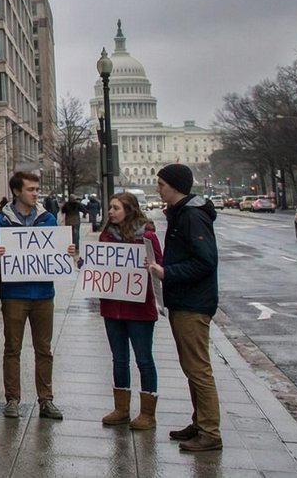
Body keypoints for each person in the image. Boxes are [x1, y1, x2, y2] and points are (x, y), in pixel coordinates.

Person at [0, 170, 74, 421]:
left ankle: (46, 400)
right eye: (31, 190)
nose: (36, 194)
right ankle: (12, 399)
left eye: (37, 189)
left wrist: (65, 250)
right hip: (14, 293)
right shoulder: (1, 220)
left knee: (44, 349)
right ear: (17, 191)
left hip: (44, 293)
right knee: (12, 348)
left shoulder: (47, 219)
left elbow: (55, 250)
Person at [149, 163, 222, 453]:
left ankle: (210, 431)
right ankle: (200, 422)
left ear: (175, 186)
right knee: (191, 367)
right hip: (183, 300)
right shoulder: (182, 214)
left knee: (198, 369)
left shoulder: (191, 216)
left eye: (161, 184)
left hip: (193, 302)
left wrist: (168, 273)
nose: (158, 188)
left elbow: (205, 261)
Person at [98, 191, 164, 431]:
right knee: (119, 358)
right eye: (110, 208)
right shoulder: (106, 236)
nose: (111, 212)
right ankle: (122, 409)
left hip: (139, 309)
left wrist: (152, 267)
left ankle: (148, 412)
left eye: (116, 208)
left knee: (144, 359)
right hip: (113, 307)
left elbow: (159, 266)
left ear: (129, 209)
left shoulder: (146, 237)